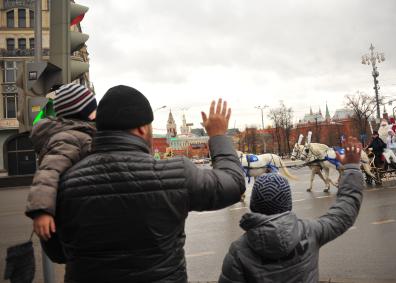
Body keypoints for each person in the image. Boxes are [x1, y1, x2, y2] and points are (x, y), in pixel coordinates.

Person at [55, 85, 246, 283]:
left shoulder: (67, 182)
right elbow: (232, 184)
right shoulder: (175, 174)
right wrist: (218, 136)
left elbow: (57, 253)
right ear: (142, 128)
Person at [219, 137, 364, 283]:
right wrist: (352, 168)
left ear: (254, 205)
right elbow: (344, 212)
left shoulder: (238, 252)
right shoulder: (310, 232)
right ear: (288, 203)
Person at [25, 83, 97, 241]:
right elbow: (49, 171)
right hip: (72, 209)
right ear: (83, 113)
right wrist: (42, 211)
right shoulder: (69, 138)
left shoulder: (79, 133)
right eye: (93, 109)